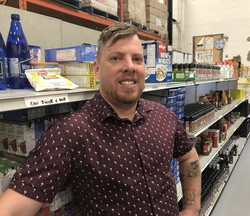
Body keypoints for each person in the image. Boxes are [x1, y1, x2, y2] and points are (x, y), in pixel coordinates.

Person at [0, 22, 201, 216]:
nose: (129, 66)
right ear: (97, 69)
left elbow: (188, 157)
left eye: (137, 59)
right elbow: (11, 207)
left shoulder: (163, 116)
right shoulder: (71, 133)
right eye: (116, 58)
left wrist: (191, 209)